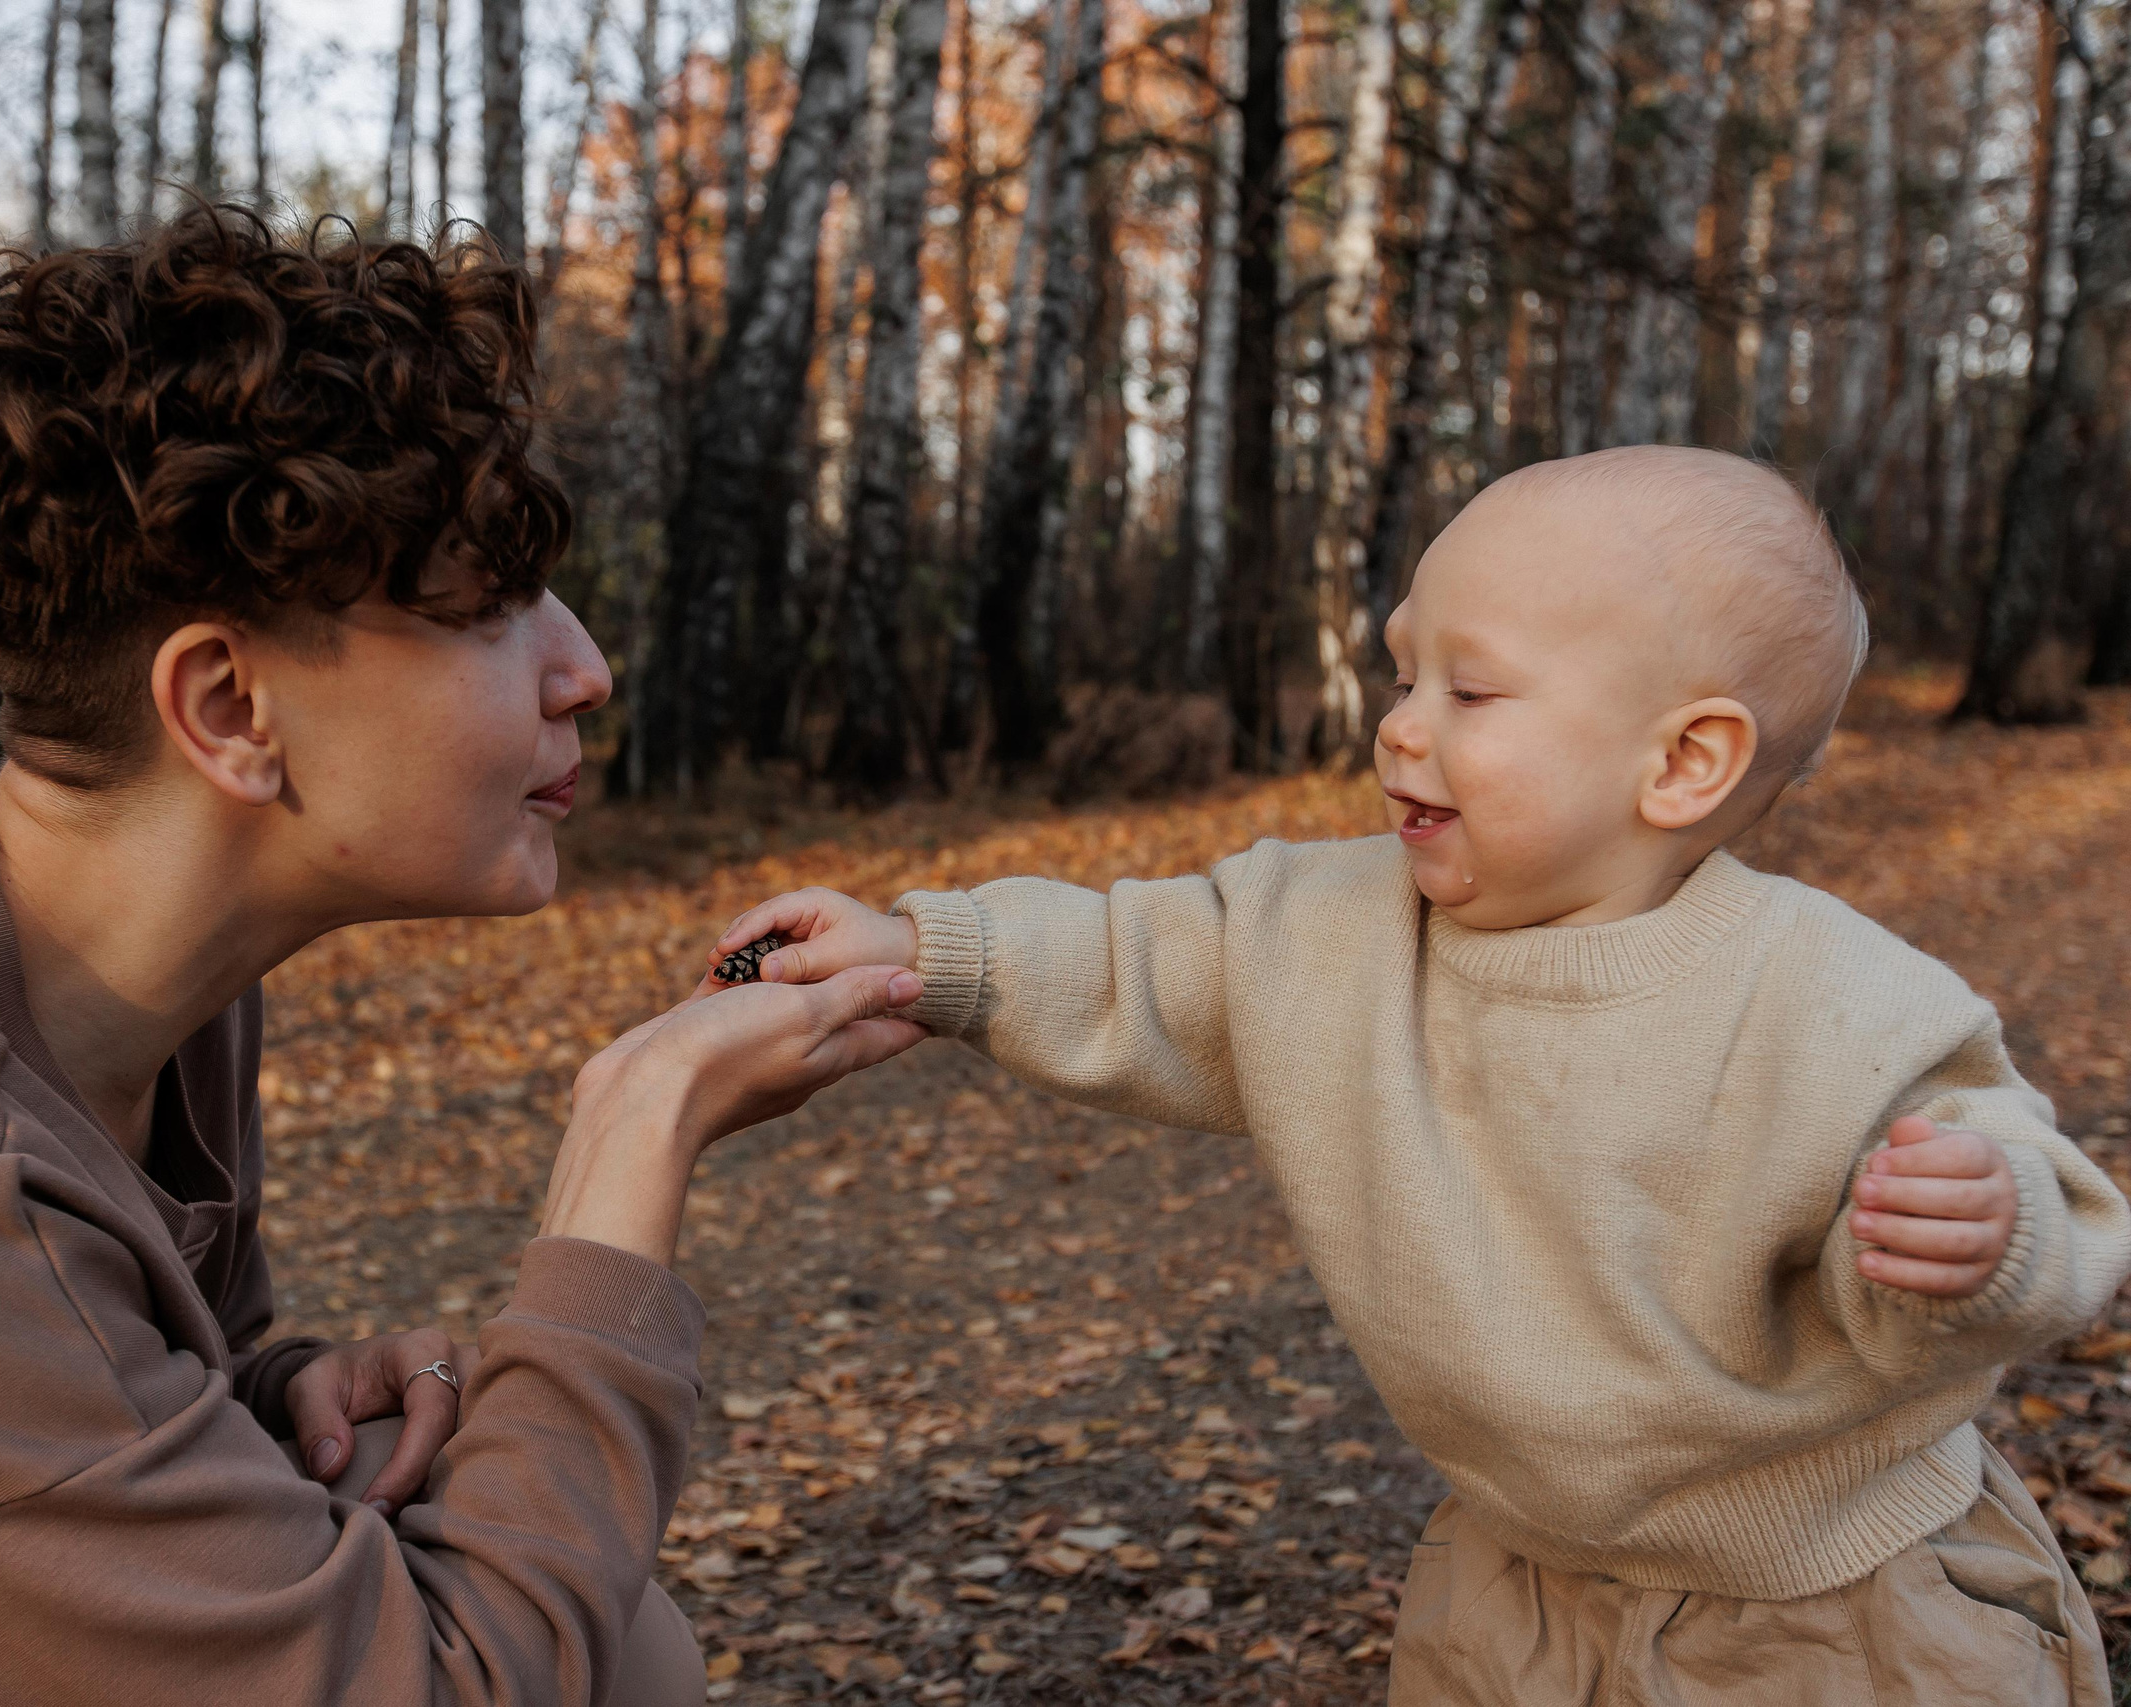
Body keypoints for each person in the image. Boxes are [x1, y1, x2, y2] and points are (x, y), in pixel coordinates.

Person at [0, 206, 928, 1705]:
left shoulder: (113, 969)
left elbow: (104, 1366)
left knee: (612, 1639)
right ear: (227, 707)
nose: (583, 667)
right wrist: (636, 1128)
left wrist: (279, 1400)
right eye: (490, 605)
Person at [715, 445, 2131, 1705]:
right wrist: (922, 949)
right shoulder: (1327, 933)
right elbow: (1134, 959)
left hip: (1840, 1609)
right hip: (1514, 1588)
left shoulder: (1829, 1001)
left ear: (1684, 761)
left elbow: (2019, 1173)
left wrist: (1985, 1226)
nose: (1399, 722)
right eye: (1403, 672)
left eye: (1471, 687)